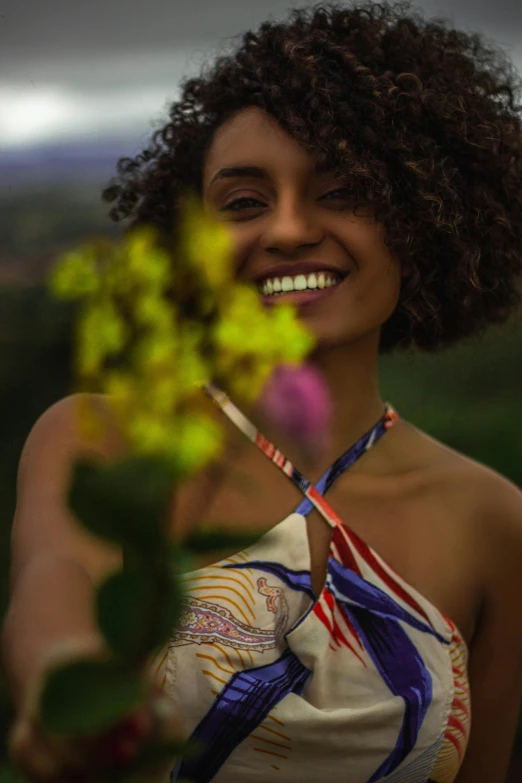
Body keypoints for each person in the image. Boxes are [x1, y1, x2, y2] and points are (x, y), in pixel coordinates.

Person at [3, 1, 522, 781]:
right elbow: (54, 578)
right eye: (243, 202)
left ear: (426, 217)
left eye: (344, 191)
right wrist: (61, 681)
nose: (284, 230)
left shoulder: (494, 522)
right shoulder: (101, 437)